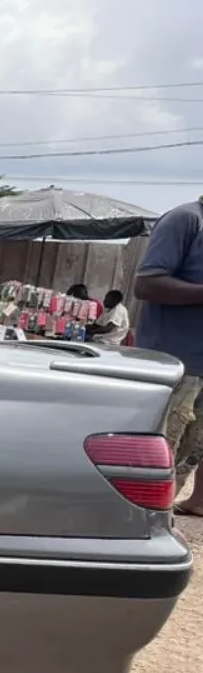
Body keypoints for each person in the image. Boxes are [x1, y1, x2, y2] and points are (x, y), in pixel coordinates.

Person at [134, 196, 203, 515]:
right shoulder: (185, 220)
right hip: (176, 364)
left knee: (191, 451)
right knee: (161, 448)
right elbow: (147, 284)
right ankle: (141, 518)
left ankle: (170, 513)